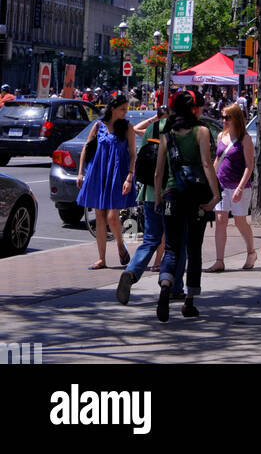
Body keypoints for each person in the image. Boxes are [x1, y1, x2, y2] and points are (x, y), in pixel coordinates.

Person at [153, 89, 220, 322]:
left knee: (171, 246)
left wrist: (159, 198)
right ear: (193, 109)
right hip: (196, 197)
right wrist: (215, 194)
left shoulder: (167, 133)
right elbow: (206, 163)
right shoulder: (201, 131)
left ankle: (165, 285)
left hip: (171, 195)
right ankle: (189, 302)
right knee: (194, 247)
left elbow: (159, 170)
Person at [117, 106, 187, 306]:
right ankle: (174, 286)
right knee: (177, 243)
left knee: (150, 239)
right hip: (173, 194)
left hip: (149, 192)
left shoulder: (153, 129)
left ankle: (131, 272)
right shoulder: (183, 130)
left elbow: (142, 157)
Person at [76, 94, 136, 270]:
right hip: (98, 173)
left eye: (126, 109)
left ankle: (119, 244)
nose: (125, 112)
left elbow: (133, 154)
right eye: (122, 109)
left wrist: (129, 176)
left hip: (118, 175)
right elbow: (86, 149)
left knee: (112, 217)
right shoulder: (99, 125)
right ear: (112, 109)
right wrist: (80, 173)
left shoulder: (127, 128)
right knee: (100, 216)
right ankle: (101, 258)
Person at [206, 103, 256, 273]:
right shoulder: (221, 135)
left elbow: (249, 166)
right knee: (220, 220)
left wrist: (240, 188)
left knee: (240, 221)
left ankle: (251, 252)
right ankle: (219, 260)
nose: (224, 120)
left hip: (238, 185)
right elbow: (217, 160)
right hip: (220, 184)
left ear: (236, 118)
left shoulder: (245, 139)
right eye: (223, 117)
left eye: (227, 117)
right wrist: (210, 179)